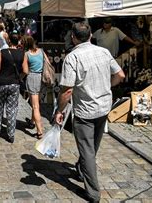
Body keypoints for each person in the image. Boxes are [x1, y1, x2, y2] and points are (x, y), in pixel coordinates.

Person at [55, 22, 125, 203]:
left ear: (73, 37)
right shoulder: (103, 52)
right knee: (92, 147)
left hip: (85, 111)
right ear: (91, 34)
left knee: (87, 150)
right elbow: (120, 75)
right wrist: (107, 85)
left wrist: (59, 110)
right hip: (103, 107)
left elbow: (67, 90)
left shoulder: (73, 58)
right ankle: (82, 167)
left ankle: (93, 193)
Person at [0, 33, 23, 143]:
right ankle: (11, 133)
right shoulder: (22, 54)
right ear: (18, 41)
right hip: (14, 84)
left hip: (1, 83)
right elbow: (26, 70)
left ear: (8, 41)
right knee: (12, 109)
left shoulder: (2, 52)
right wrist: (18, 78)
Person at [22, 35, 44, 139]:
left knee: (35, 106)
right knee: (35, 102)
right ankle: (31, 121)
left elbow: (25, 71)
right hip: (41, 78)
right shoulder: (41, 51)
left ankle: (39, 131)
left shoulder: (27, 54)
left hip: (32, 78)